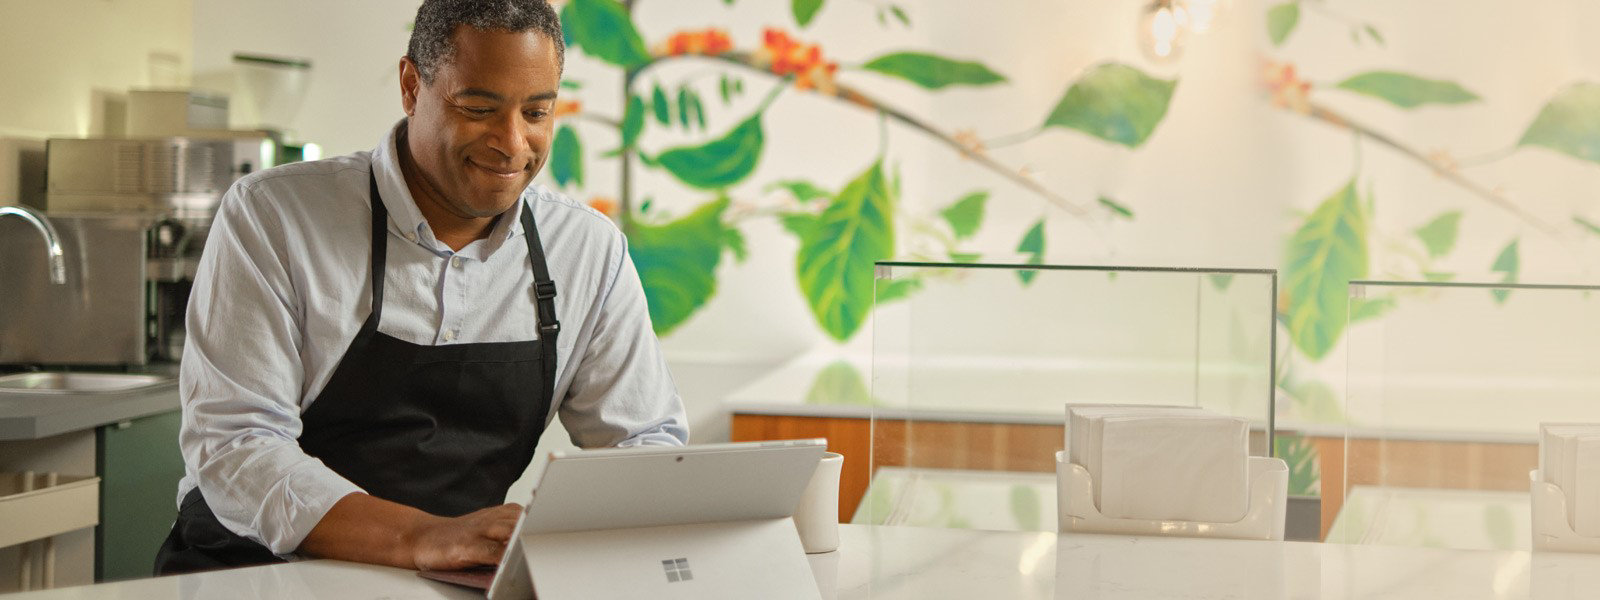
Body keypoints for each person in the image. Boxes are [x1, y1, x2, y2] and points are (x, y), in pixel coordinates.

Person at [154, 0, 688, 575]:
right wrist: (422, 539)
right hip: (252, 573)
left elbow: (643, 442)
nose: (512, 143)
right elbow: (238, 445)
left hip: (448, 580)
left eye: (536, 112)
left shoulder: (588, 251)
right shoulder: (274, 216)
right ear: (412, 87)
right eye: (478, 107)